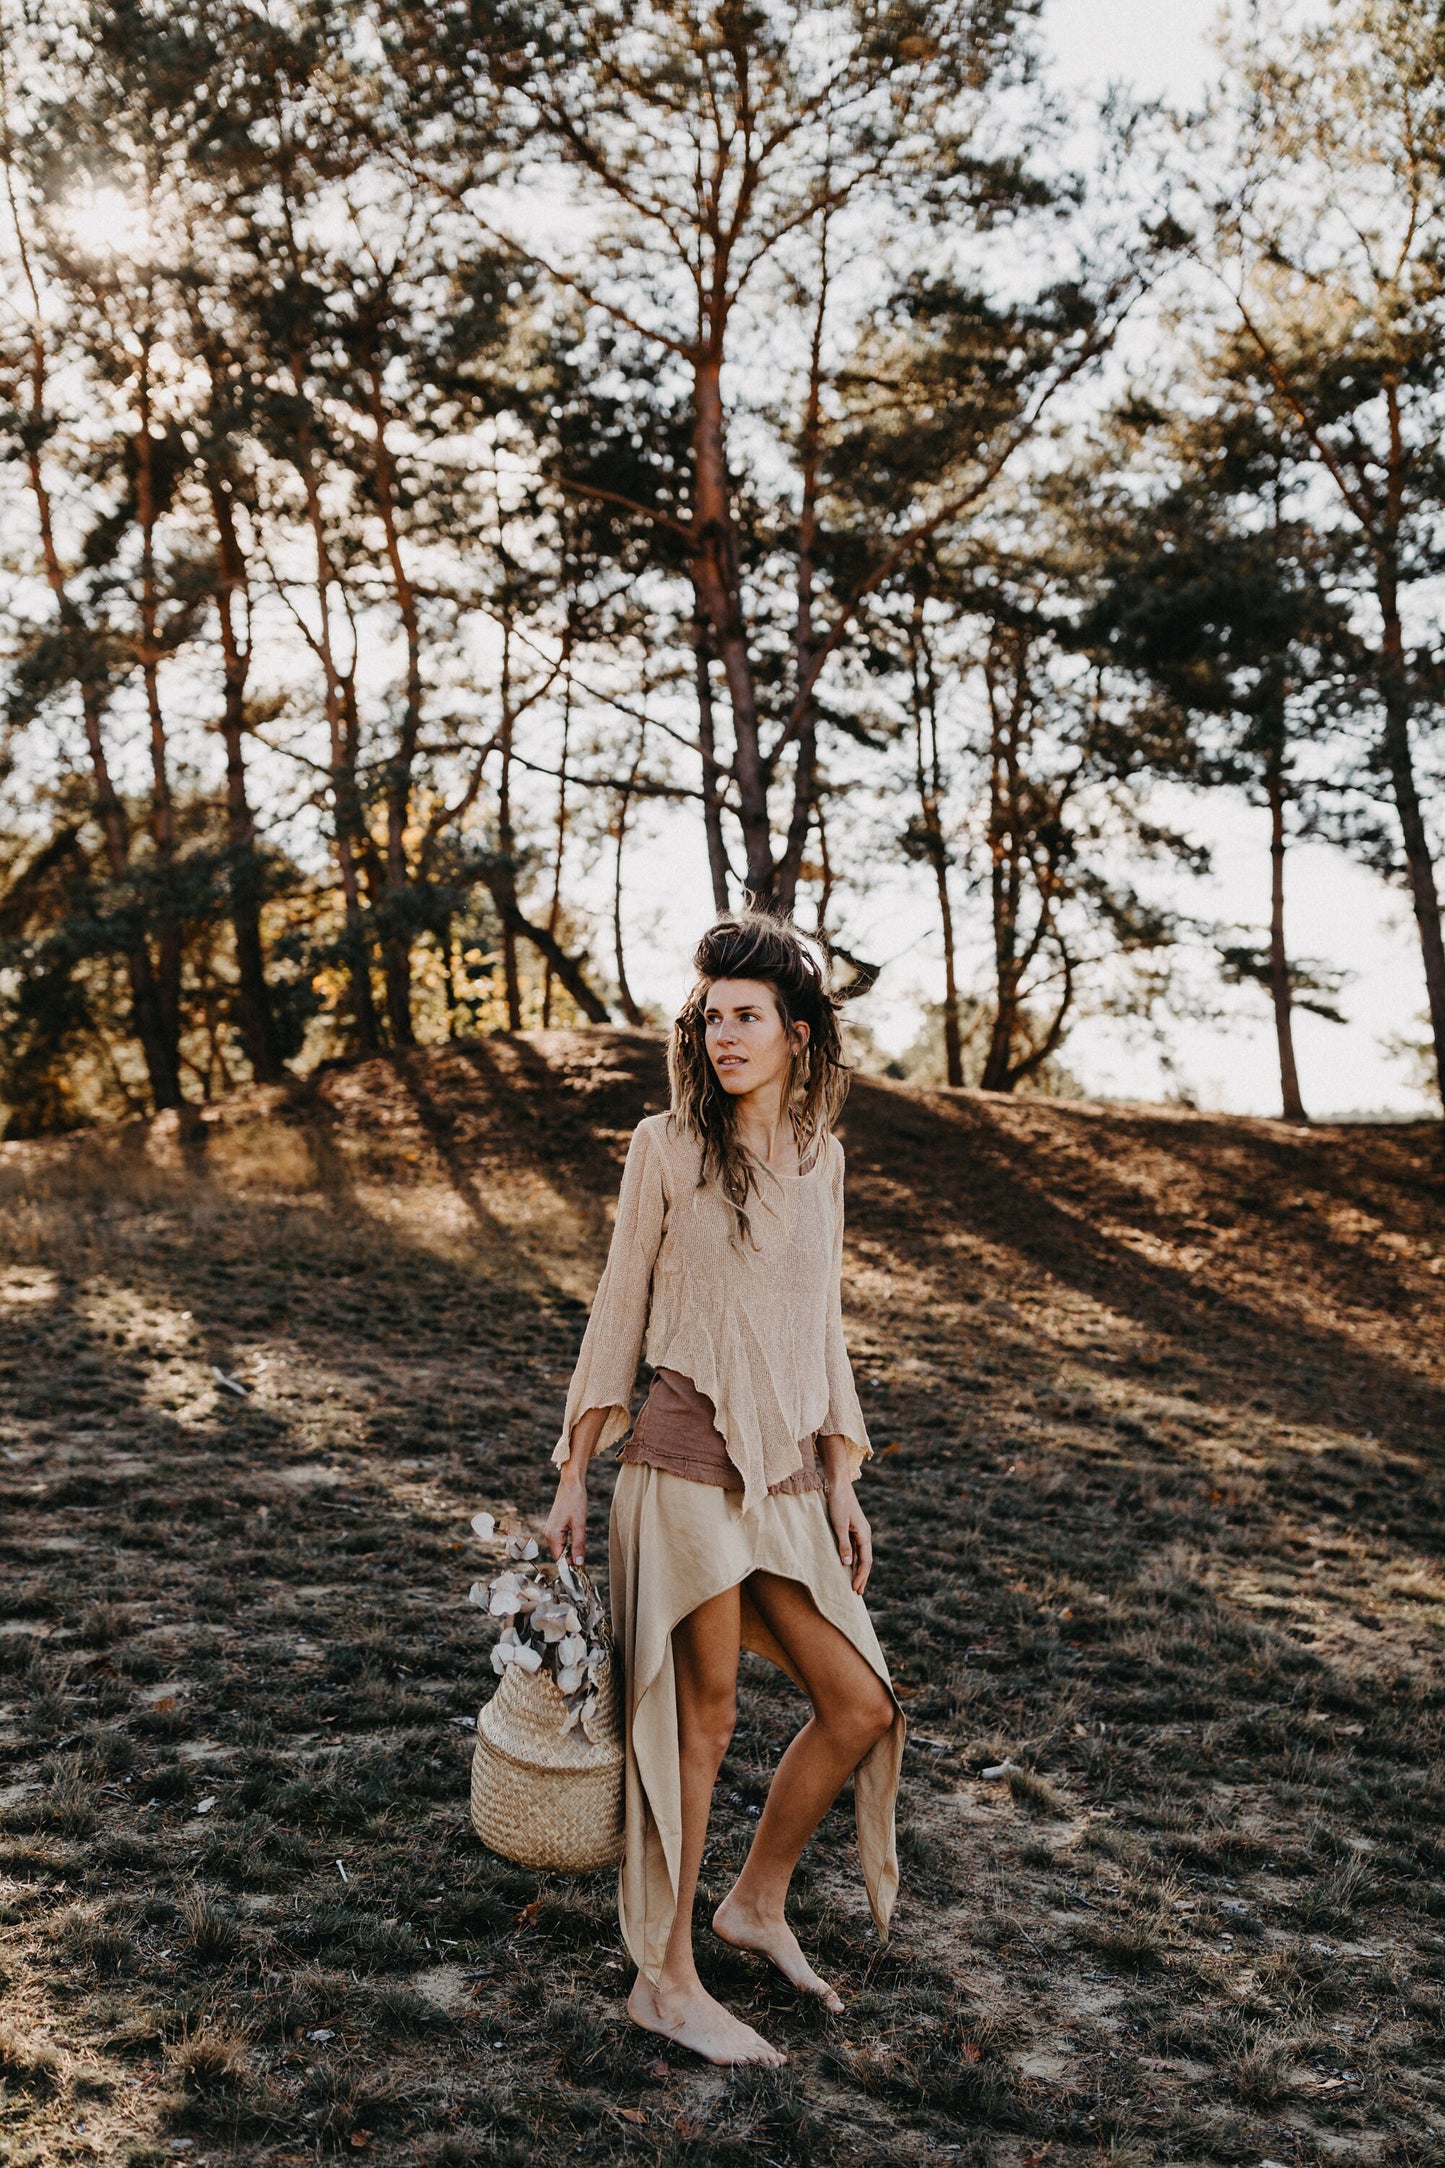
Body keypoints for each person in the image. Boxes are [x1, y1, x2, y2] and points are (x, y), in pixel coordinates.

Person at [544, 912, 904, 2068]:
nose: (723, 1036)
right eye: (708, 1018)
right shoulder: (663, 1146)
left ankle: (752, 1900)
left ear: (797, 1035)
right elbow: (615, 1305)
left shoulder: (822, 1156)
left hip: (788, 1477)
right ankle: (667, 1979)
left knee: (860, 1704)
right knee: (701, 1718)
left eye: (746, 1017)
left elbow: (819, 1325)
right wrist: (570, 1472)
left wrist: (841, 1477)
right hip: (679, 1461)